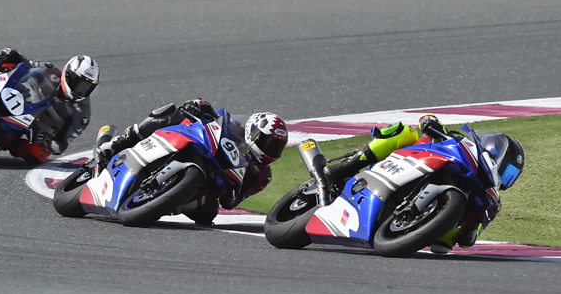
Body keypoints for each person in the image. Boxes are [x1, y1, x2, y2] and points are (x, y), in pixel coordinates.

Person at [318, 114, 525, 250]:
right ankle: (347, 166)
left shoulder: (491, 202)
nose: (503, 175)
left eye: (509, 176)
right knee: (404, 131)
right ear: (491, 146)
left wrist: (475, 226)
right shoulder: (458, 142)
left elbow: (467, 240)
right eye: (504, 167)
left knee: (444, 245)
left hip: (431, 226)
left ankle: (411, 224)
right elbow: (428, 118)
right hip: (404, 163)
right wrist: (430, 123)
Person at [96, 99, 287, 224]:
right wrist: (200, 106)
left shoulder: (262, 176)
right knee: (173, 113)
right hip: (201, 146)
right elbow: (213, 115)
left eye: (275, 148)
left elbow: (230, 202)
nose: (270, 151)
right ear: (253, 132)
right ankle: (117, 142)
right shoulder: (237, 127)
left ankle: (163, 201)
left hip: (213, 181)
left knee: (208, 215)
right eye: (267, 143)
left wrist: (238, 190)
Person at [0, 47, 100, 164]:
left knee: (37, 154)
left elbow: (61, 145)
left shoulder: (82, 114)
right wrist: (6, 55)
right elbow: (24, 63)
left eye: (87, 87)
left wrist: (47, 140)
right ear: (68, 74)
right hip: (17, 101)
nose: (81, 90)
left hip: (31, 128)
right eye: (78, 83)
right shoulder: (50, 71)